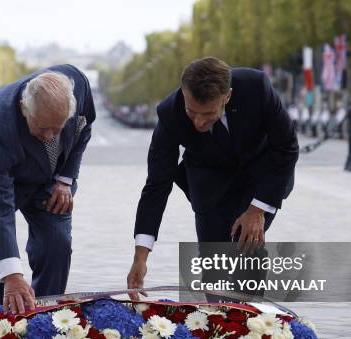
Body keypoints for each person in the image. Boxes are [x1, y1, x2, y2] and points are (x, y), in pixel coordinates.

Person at [127, 57, 298, 298]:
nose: (198, 122)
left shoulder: (256, 87)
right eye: (191, 112)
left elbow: (287, 146)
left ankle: (251, 324)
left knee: (247, 250)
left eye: (208, 113)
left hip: (260, 178)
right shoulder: (170, 113)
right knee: (214, 266)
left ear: (227, 96)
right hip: (209, 184)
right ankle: (218, 329)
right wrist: (140, 256)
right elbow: (157, 184)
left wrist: (257, 209)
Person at [0, 64, 95, 314]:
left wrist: (65, 179)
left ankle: (43, 319)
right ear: (25, 109)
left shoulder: (79, 85)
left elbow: (84, 128)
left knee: (57, 243)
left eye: (58, 128)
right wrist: (12, 276)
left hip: (50, 178)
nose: (51, 136)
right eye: (43, 128)